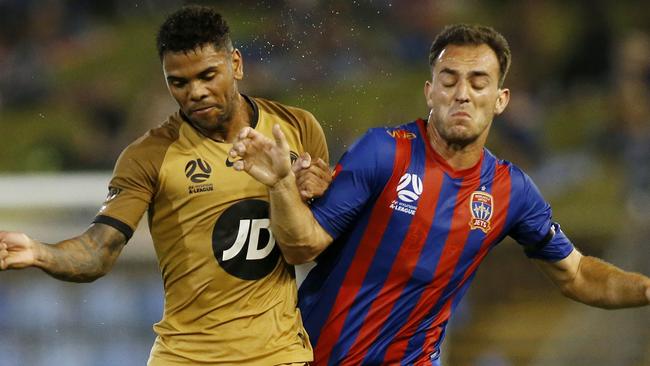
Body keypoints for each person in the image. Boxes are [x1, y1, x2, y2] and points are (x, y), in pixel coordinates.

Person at [229, 23, 650, 365]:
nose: (462, 93)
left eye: (478, 82)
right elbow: (302, 246)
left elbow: (576, 275)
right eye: (449, 80)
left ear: (500, 99)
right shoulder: (383, 152)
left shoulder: (512, 191)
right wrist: (282, 183)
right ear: (430, 91)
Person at [0, 5, 332, 365]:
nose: (196, 92)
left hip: (278, 354)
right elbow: (99, 250)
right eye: (179, 82)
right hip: (185, 356)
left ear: (236, 64)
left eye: (208, 75)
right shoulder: (150, 155)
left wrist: (320, 188)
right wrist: (39, 252)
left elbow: (313, 245)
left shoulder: (297, 128)